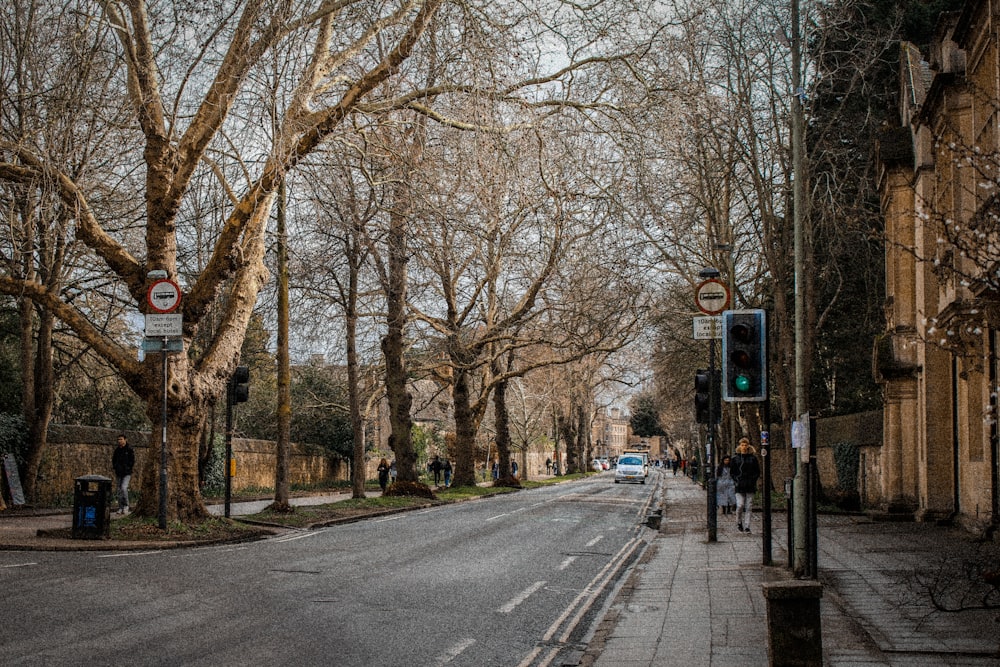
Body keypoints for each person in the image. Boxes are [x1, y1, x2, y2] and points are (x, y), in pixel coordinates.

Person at [731, 437, 761, 533]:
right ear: (740, 446)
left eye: (745, 445)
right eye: (742, 445)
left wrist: (753, 480)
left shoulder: (753, 458)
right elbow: (732, 472)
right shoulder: (735, 459)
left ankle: (747, 526)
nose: (744, 447)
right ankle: (739, 522)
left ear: (748, 446)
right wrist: (736, 480)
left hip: (750, 485)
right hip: (739, 485)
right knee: (740, 505)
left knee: (749, 506)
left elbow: (757, 471)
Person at [111, 434, 135, 514]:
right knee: (119, 490)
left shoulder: (129, 449)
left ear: (125, 440)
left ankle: (126, 506)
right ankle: (120, 507)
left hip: (127, 473)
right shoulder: (117, 450)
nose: (119, 441)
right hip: (119, 472)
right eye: (118, 439)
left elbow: (132, 461)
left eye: (121, 439)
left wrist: (128, 468)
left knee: (124, 488)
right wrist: (115, 467)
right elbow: (114, 460)